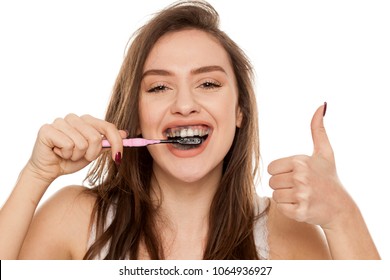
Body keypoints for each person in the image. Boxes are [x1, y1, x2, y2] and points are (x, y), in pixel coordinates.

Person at [0, 0, 380, 260]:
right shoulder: (74, 218)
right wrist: (35, 176)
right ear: (135, 115)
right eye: (159, 87)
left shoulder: (287, 234)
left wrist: (343, 216)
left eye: (209, 84)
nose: (184, 105)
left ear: (239, 113)